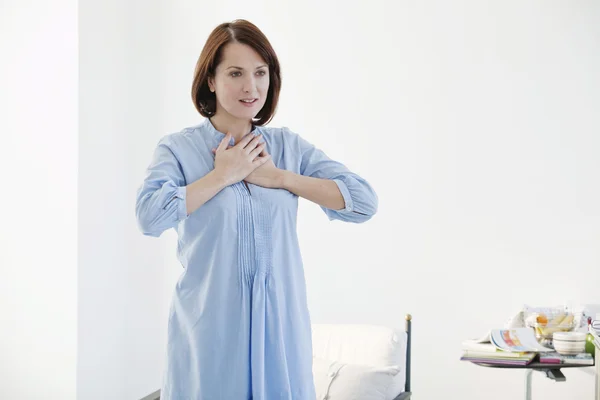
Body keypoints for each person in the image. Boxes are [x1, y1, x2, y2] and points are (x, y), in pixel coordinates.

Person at [135, 19, 378, 400]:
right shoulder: (178, 150)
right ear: (211, 80)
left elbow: (363, 202)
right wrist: (222, 176)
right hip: (210, 334)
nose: (251, 87)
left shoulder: (288, 149)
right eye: (235, 73)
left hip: (280, 331)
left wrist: (281, 178)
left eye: (260, 73)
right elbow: (149, 216)